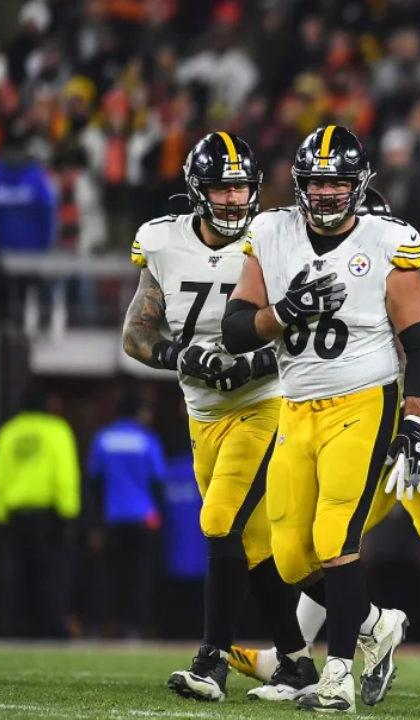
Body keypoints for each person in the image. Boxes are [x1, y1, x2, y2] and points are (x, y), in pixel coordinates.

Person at [227, 187, 420, 703]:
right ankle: (323, 645)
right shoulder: (302, 252)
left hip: (409, 422)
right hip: (347, 422)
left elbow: (418, 354)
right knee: (317, 541)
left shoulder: (387, 261)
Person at [222, 125, 420, 713]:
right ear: (300, 185)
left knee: (335, 538)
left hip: (364, 399)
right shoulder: (271, 230)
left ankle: (337, 674)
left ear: (359, 183)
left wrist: (413, 423)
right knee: (290, 556)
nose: (328, 193)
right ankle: (375, 625)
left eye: (338, 181)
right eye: (317, 182)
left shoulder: (388, 239)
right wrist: (284, 313)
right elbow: (237, 328)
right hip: (296, 404)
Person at [122, 131, 311, 702]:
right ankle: (310, 658)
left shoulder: (278, 238)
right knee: (253, 546)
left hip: (265, 403)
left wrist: (251, 362)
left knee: (219, 520)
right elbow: (136, 334)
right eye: (220, 188)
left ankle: (211, 663)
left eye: (240, 188)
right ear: (196, 190)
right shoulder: (161, 240)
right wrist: (183, 356)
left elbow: (304, 331)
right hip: (203, 413)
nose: (232, 200)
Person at [0, 384, 80, 638]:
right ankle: (49, 629)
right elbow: (65, 474)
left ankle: (10, 629)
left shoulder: (8, 433)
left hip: (14, 517)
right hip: (48, 517)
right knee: (49, 576)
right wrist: (68, 512)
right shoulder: (56, 430)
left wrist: (0, 515)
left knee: (15, 577)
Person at [86, 388, 166, 640]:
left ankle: (101, 625)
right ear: (138, 411)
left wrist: (95, 523)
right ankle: (134, 627)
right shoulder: (148, 439)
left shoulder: (102, 438)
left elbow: (94, 482)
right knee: (140, 575)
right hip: (143, 517)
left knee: (109, 575)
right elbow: (158, 480)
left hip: (113, 517)